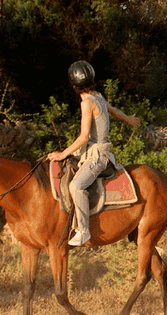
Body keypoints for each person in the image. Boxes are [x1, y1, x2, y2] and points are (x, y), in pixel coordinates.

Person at [48, 60, 140, 246]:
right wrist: (128, 119)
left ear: (74, 86)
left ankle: (83, 231)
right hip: (90, 153)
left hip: (97, 157)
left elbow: (83, 137)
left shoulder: (87, 103)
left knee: (76, 186)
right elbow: (113, 111)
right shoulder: (98, 96)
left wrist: (62, 154)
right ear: (92, 79)